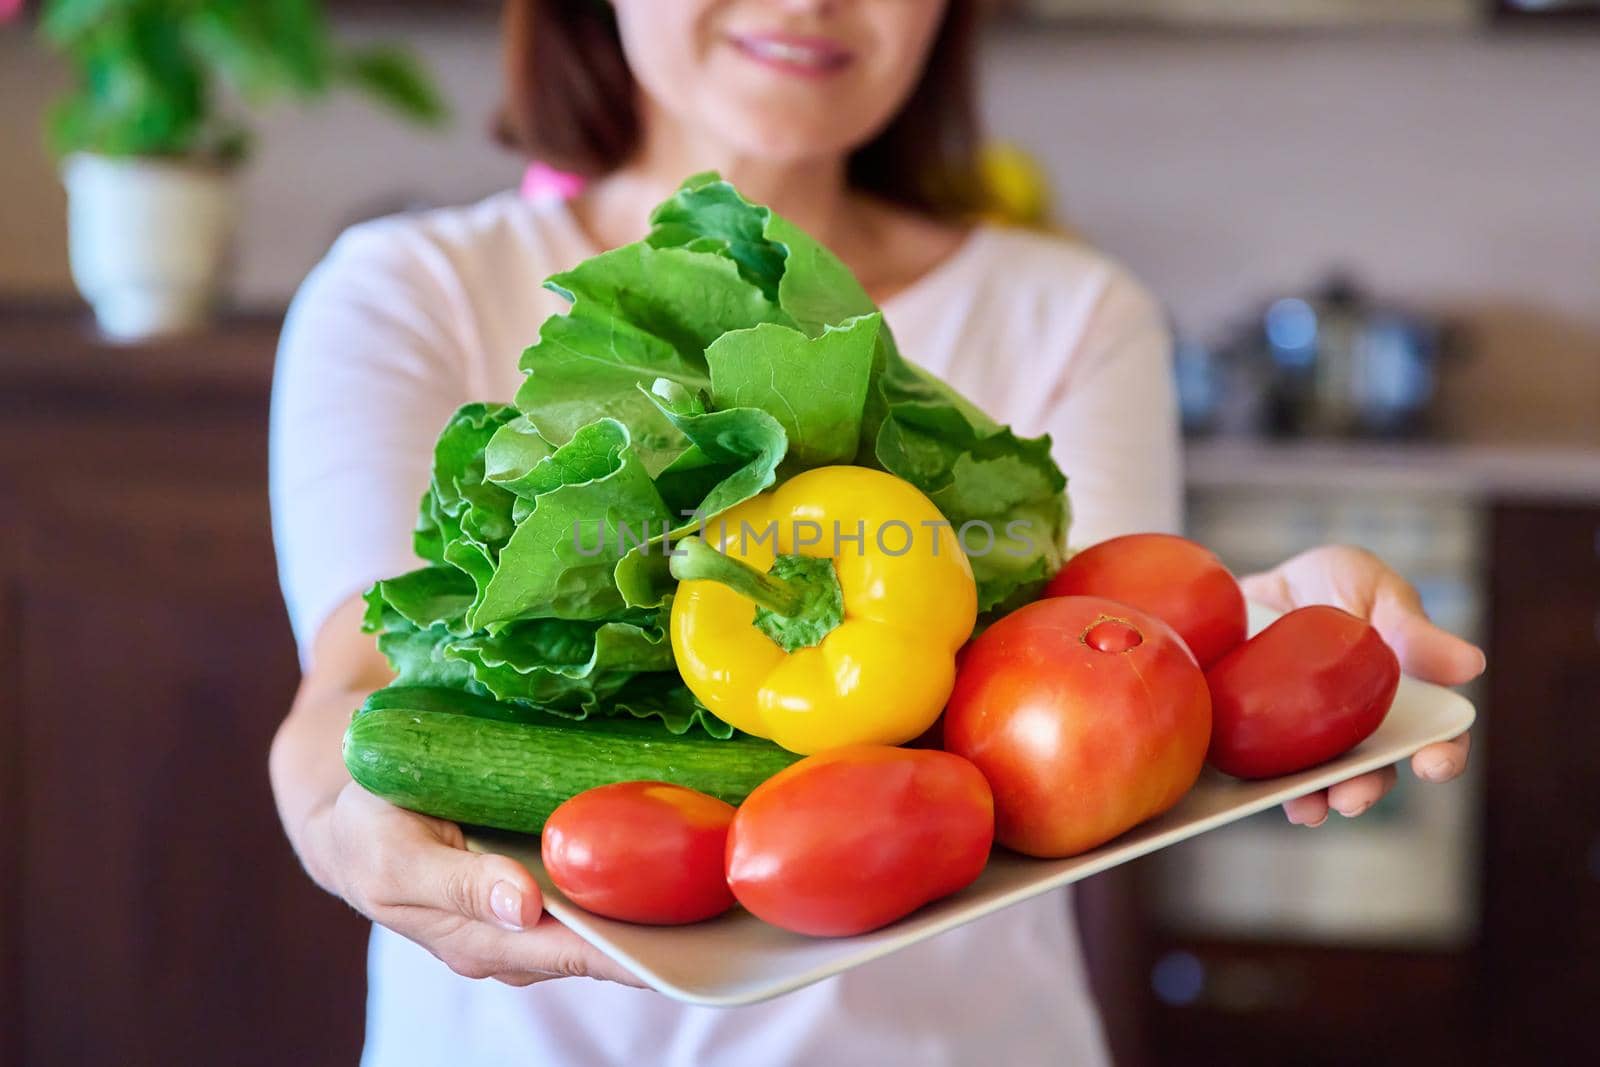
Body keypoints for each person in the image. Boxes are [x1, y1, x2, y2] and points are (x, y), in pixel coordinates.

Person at [267, 2, 1482, 1064]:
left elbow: (1110, 657)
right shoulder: (405, 288)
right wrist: (342, 823)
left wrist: (1260, 629)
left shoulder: (1073, 309)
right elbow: (359, 691)